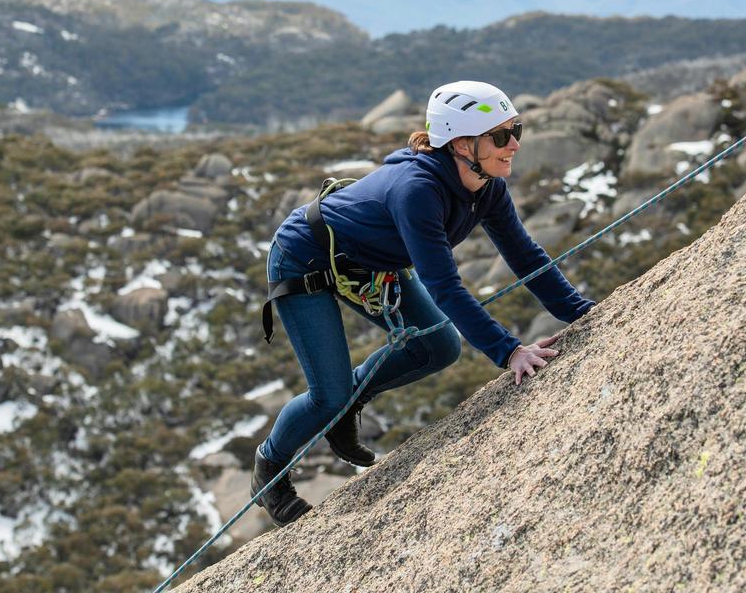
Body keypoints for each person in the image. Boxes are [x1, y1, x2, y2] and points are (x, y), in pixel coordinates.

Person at [251, 80, 596, 526]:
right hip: (305, 256)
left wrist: (580, 311)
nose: (512, 145)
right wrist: (509, 351)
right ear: (460, 143)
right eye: (499, 136)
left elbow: (524, 255)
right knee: (328, 394)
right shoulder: (419, 191)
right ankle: (269, 470)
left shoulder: (487, 184)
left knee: (439, 348)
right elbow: (447, 289)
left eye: (516, 131)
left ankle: (348, 407)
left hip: (365, 260)